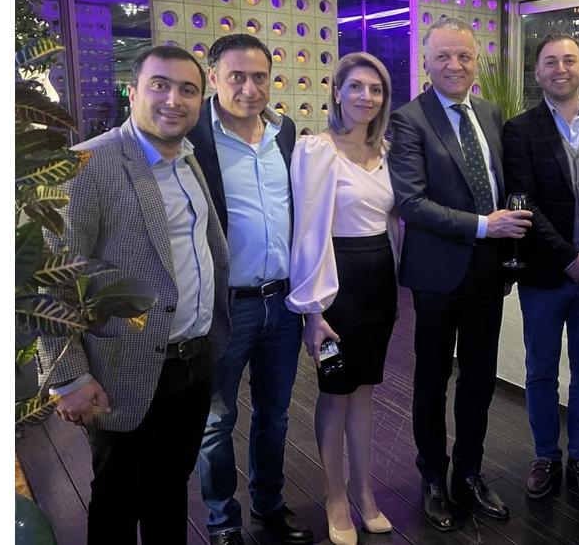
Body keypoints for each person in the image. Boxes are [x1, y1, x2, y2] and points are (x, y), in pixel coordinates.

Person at [37, 45, 231, 544]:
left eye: (188, 90)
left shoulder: (187, 159)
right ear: (133, 91)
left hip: (192, 360)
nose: (174, 100)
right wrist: (68, 376)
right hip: (121, 366)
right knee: (117, 502)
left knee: (170, 490)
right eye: (159, 85)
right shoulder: (88, 163)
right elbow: (46, 278)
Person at [388, 17, 533, 531]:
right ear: (426, 62)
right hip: (437, 275)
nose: (455, 65)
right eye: (444, 56)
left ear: (476, 62)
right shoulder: (409, 120)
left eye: (464, 56)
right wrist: (485, 225)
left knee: (479, 379)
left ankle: (469, 472)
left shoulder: (490, 113)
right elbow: (411, 203)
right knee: (431, 381)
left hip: (489, 272)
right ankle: (432, 477)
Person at [186, 34, 312, 545]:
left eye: (260, 76)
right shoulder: (193, 134)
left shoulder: (285, 133)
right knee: (217, 420)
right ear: (213, 77)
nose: (249, 87)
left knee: (275, 415)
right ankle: (222, 520)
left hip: (281, 303)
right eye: (236, 76)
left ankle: (269, 503)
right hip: (224, 306)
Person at [501, 32, 579, 502]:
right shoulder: (520, 130)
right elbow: (523, 200)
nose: (560, 69)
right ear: (538, 72)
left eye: (569, 60)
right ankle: (544, 456)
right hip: (544, 276)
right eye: (551, 61)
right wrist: (567, 257)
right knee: (540, 372)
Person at [285, 52, 400, 545]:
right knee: (335, 393)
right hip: (335, 288)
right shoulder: (316, 150)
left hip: (380, 286)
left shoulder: (387, 151)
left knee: (365, 391)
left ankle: (365, 492)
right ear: (336, 91)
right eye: (355, 86)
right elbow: (308, 233)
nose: (365, 97)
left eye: (375, 89)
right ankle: (335, 497)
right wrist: (313, 312)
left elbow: (393, 222)